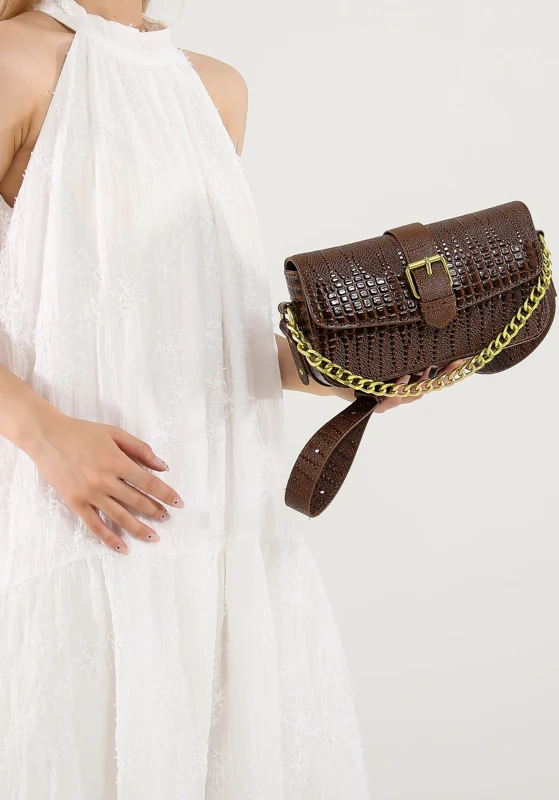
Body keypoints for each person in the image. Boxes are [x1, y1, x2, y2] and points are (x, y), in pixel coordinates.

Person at [0, 1, 466, 796]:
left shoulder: (216, 88)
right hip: (86, 524)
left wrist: (350, 370)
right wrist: (46, 434)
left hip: (226, 528)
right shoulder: (15, 60)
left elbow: (218, 336)